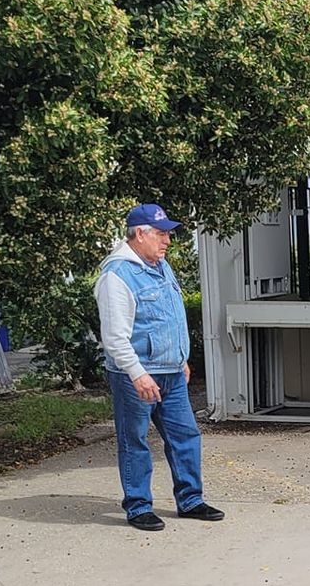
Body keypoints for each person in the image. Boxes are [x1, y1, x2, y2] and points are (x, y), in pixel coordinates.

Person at [94, 203, 224, 532]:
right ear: (140, 234)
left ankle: (191, 500)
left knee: (186, 436)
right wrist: (138, 374)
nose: (168, 240)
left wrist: (180, 360)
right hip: (135, 375)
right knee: (135, 440)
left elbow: (169, 317)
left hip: (171, 373)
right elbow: (114, 338)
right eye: (162, 234)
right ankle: (138, 506)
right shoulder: (116, 275)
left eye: (168, 234)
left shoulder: (161, 266)